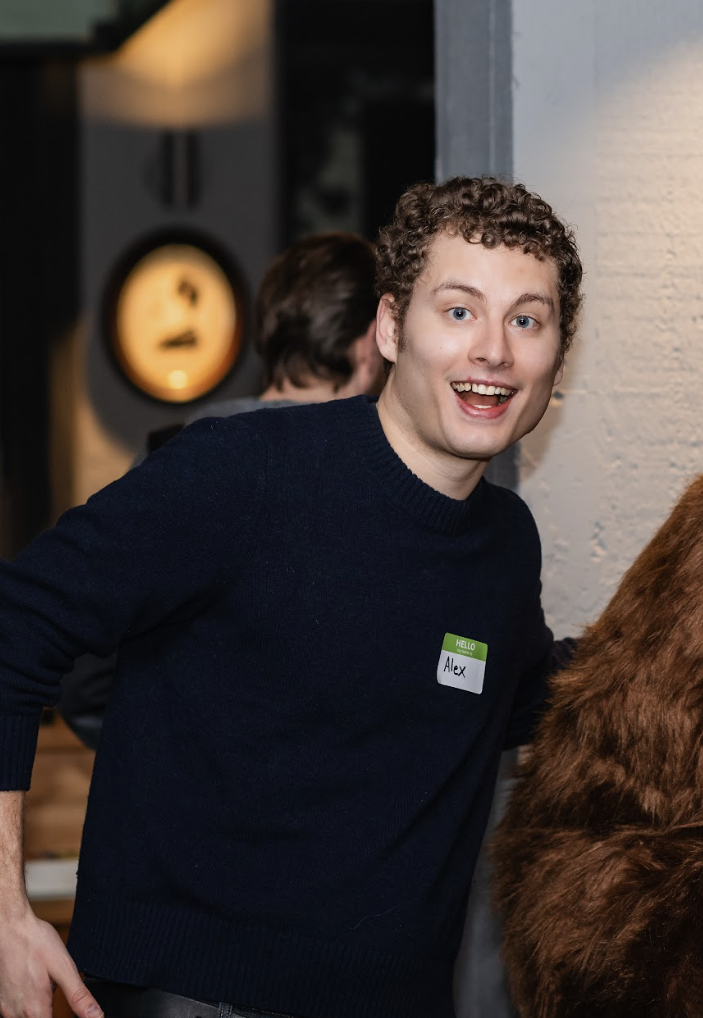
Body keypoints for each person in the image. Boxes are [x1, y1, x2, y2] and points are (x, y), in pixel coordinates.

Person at [0, 176, 582, 1018]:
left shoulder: (505, 544)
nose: (492, 350)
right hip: (192, 998)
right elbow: (18, 624)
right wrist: (5, 911)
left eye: (526, 320)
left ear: (557, 355)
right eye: (459, 311)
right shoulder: (244, 471)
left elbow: (525, 699)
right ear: (389, 328)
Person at [60, 231, 386, 750]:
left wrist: (165, 759)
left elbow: (83, 668)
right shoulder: (375, 482)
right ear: (370, 343)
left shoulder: (170, 452)